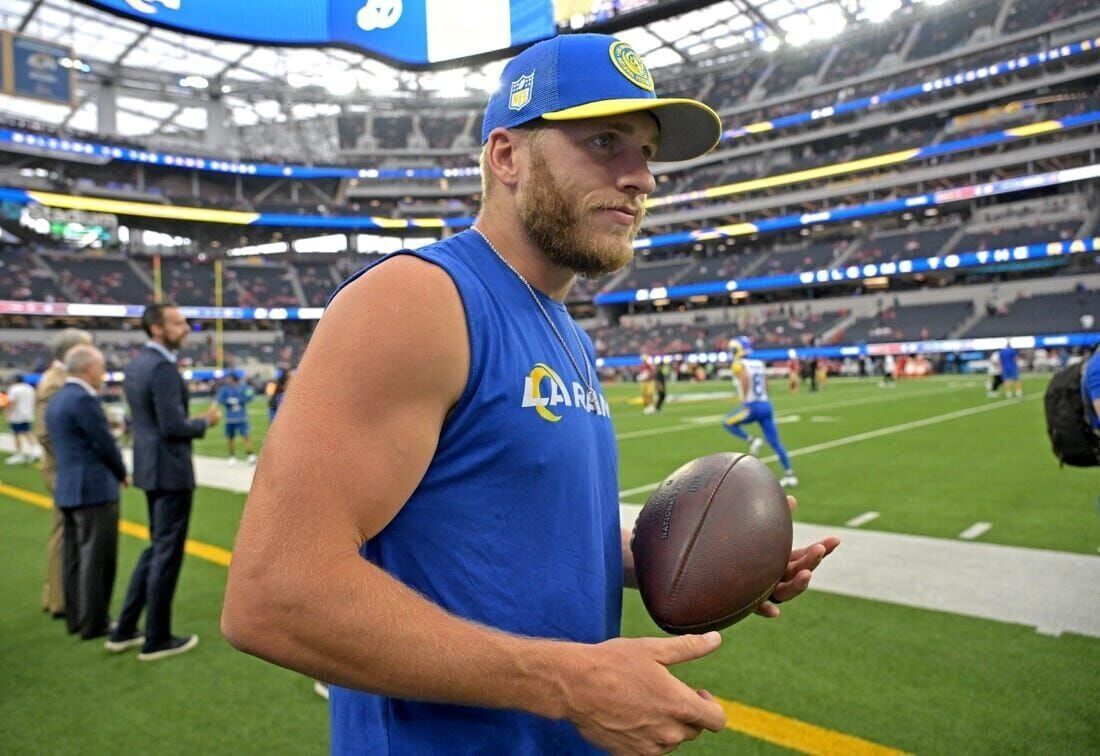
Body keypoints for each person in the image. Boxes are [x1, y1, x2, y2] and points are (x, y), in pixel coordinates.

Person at [222, 34, 838, 755]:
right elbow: (275, 595)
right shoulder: (418, 299)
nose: (641, 177)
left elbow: (522, 531)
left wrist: (697, 559)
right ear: (507, 157)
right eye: (606, 141)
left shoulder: (567, 333)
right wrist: (569, 683)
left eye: (646, 152)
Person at [108, 303, 220, 661]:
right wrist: (205, 422)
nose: (186, 328)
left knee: (155, 548)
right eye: (178, 322)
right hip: (170, 470)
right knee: (166, 554)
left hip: (150, 467)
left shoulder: (139, 364)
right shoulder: (162, 368)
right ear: (157, 328)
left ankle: (125, 629)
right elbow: (173, 427)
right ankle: (156, 638)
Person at [44, 345, 127, 640]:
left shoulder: (58, 399)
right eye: (101, 367)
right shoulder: (83, 399)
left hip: (67, 487)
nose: (103, 373)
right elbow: (104, 443)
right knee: (97, 559)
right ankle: (96, 622)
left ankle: (77, 618)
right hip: (93, 489)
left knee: (73, 558)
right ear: (88, 369)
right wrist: (121, 473)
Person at [33, 328, 94, 619]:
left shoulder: (55, 381)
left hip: (64, 467)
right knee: (64, 534)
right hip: (63, 469)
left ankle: (57, 594)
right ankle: (60, 598)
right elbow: (46, 433)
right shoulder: (54, 383)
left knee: (65, 532)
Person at [722, 337, 798, 488]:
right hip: (765, 404)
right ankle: (790, 474)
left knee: (727, 422)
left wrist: (745, 399)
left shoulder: (738, 364)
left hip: (752, 406)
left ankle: (752, 440)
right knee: (775, 442)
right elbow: (766, 385)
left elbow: (744, 380)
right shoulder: (758, 363)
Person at [215, 373, 256, 465]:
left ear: (234, 379)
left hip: (241, 417)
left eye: (229, 378)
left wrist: (240, 400)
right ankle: (232, 456)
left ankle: (250, 454)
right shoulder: (225, 389)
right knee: (230, 437)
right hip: (230, 418)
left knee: (245, 436)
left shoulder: (243, 387)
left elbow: (251, 395)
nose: (227, 380)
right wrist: (228, 401)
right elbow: (220, 398)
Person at [6, 374, 40, 464]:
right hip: (28, 414)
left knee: (16, 434)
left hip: (17, 415)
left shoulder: (14, 388)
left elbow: (11, 402)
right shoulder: (30, 388)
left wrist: (8, 414)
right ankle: (36, 450)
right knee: (27, 432)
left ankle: (19, 454)